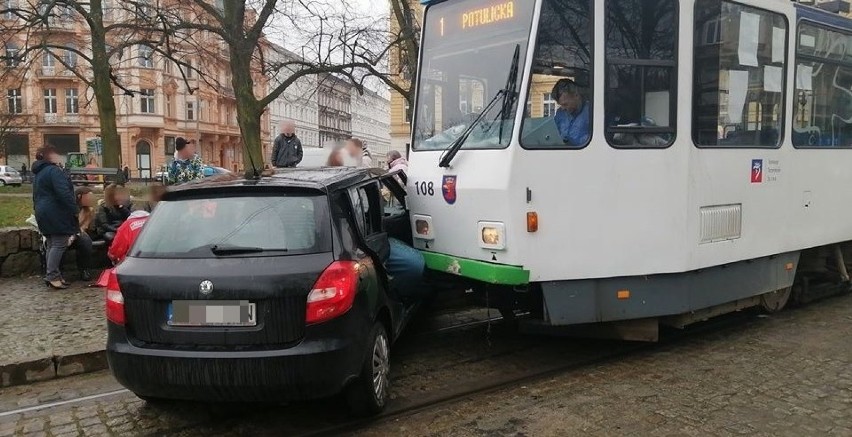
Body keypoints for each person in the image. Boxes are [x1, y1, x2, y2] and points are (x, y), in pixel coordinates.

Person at [32, 145, 77, 290]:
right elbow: (63, 192)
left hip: (43, 211)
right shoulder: (54, 171)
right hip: (56, 211)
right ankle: (52, 276)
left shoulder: (39, 173)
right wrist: (74, 209)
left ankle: (55, 275)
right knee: (58, 243)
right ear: (50, 156)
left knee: (52, 243)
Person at [552, 79, 591, 147]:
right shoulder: (560, 113)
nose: (563, 108)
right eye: (560, 105)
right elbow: (553, 133)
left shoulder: (591, 113)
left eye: (565, 104)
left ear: (576, 95)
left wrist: (571, 141)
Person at [72, 186, 97, 281]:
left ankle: (85, 269)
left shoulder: (89, 210)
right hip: (69, 232)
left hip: (80, 233)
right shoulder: (72, 209)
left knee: (85, 240)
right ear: (79, 197)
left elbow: (85, 227)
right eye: (88, 197)